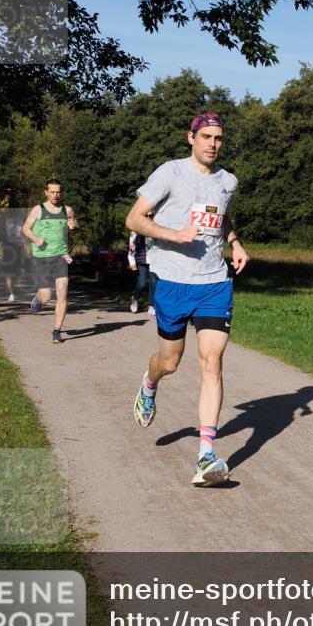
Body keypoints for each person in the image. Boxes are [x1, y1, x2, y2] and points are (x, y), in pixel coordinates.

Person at [125, 111, 249, 487]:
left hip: (214, 282)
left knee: (212, 363)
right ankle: (149, 383)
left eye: (219, 138)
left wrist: (235, 242)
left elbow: (221, 217)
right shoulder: (170, 173)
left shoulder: (228, 181)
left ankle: (205, 456)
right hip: (173, 282)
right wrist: (172, 234)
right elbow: (134, 219)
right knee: (170, 362)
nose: (213, 144)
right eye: (207, 137)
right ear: (191, 138)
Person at [22, 179, 79, 344]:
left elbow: (74, 227)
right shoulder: (38, 210)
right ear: (46, 192)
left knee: (63, 292)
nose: (55, 195)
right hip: (42, 258)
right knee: (47, 296)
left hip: (61, 256)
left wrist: (74, 226)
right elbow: (25, 228)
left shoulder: (67, 210)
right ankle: (39, 298)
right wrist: (35, 238)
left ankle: (56, 331)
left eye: (58, 192)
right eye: (52, 192)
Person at [0, 187, 24, 302]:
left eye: (10, 193)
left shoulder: (15, 207)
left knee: (17, 268)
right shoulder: (1, 205)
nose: (8, 195)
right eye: (6, 193)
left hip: (17, 239)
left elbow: (21, 223)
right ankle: (10, 292)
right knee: (9, 266)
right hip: (6, 239)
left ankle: (11, 288)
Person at [127, 228, 150, 313]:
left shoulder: (155, 229)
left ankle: (152, 305)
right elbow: (131, 248)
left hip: (154, 261)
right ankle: (135, 297)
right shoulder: (135, 232)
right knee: (142, 283)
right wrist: (132, 262)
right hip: (141, 261)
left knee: (154, 284)